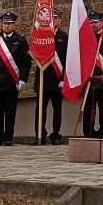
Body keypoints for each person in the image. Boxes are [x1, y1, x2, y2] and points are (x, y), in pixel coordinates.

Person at [0, 12, 31, 147]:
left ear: (14, 25)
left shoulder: (20, 41)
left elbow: (25, 62)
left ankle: (8, 137)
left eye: (9, 24)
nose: (7, 26)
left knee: (10, 112)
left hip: (12, 82)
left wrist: (23, 80)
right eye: (5, 23)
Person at [33, 8, 68, 145]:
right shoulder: (39, 35)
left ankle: (55, 134)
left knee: (57, 109)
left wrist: (63, 78)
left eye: (56, 18)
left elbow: (67, 58)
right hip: (42, 78)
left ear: (59, 20)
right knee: (40, 109)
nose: (54, 21)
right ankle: (40, 134)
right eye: (51, 18)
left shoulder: (63, 37)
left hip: (57, 79)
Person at [82, 12, 103, 139]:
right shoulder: (85, 39)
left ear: (102, 22)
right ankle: (88, 130)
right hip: (89, 78)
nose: (93, 25)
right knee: (89, 106)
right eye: (91, 23)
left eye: (95, 22)